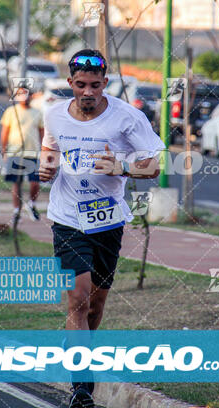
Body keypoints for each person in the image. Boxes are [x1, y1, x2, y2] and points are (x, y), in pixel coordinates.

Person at [39, 49, 165, 408]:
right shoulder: (55, 115)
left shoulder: (127, 118)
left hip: (107, 221)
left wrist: (122, 168)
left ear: (105, 83)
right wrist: (46, 168)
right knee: (77, 298)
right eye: (81, 85)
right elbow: (50, 149)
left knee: (94, 306)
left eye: (95, 85)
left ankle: (79, 348)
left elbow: (153, 167)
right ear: (70, 84)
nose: (88, 91)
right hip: (66, 218)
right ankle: (82, 387)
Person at [0, 85, 44, 221]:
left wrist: (43, 150)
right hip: (15, 152)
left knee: (35, 182)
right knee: (16, 183)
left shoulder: (37, 112)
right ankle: (16, 211)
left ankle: (32, 204)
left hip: (33, 153)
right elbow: (5, 131)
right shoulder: (11, 111)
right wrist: (4, 149)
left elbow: (42, 132)